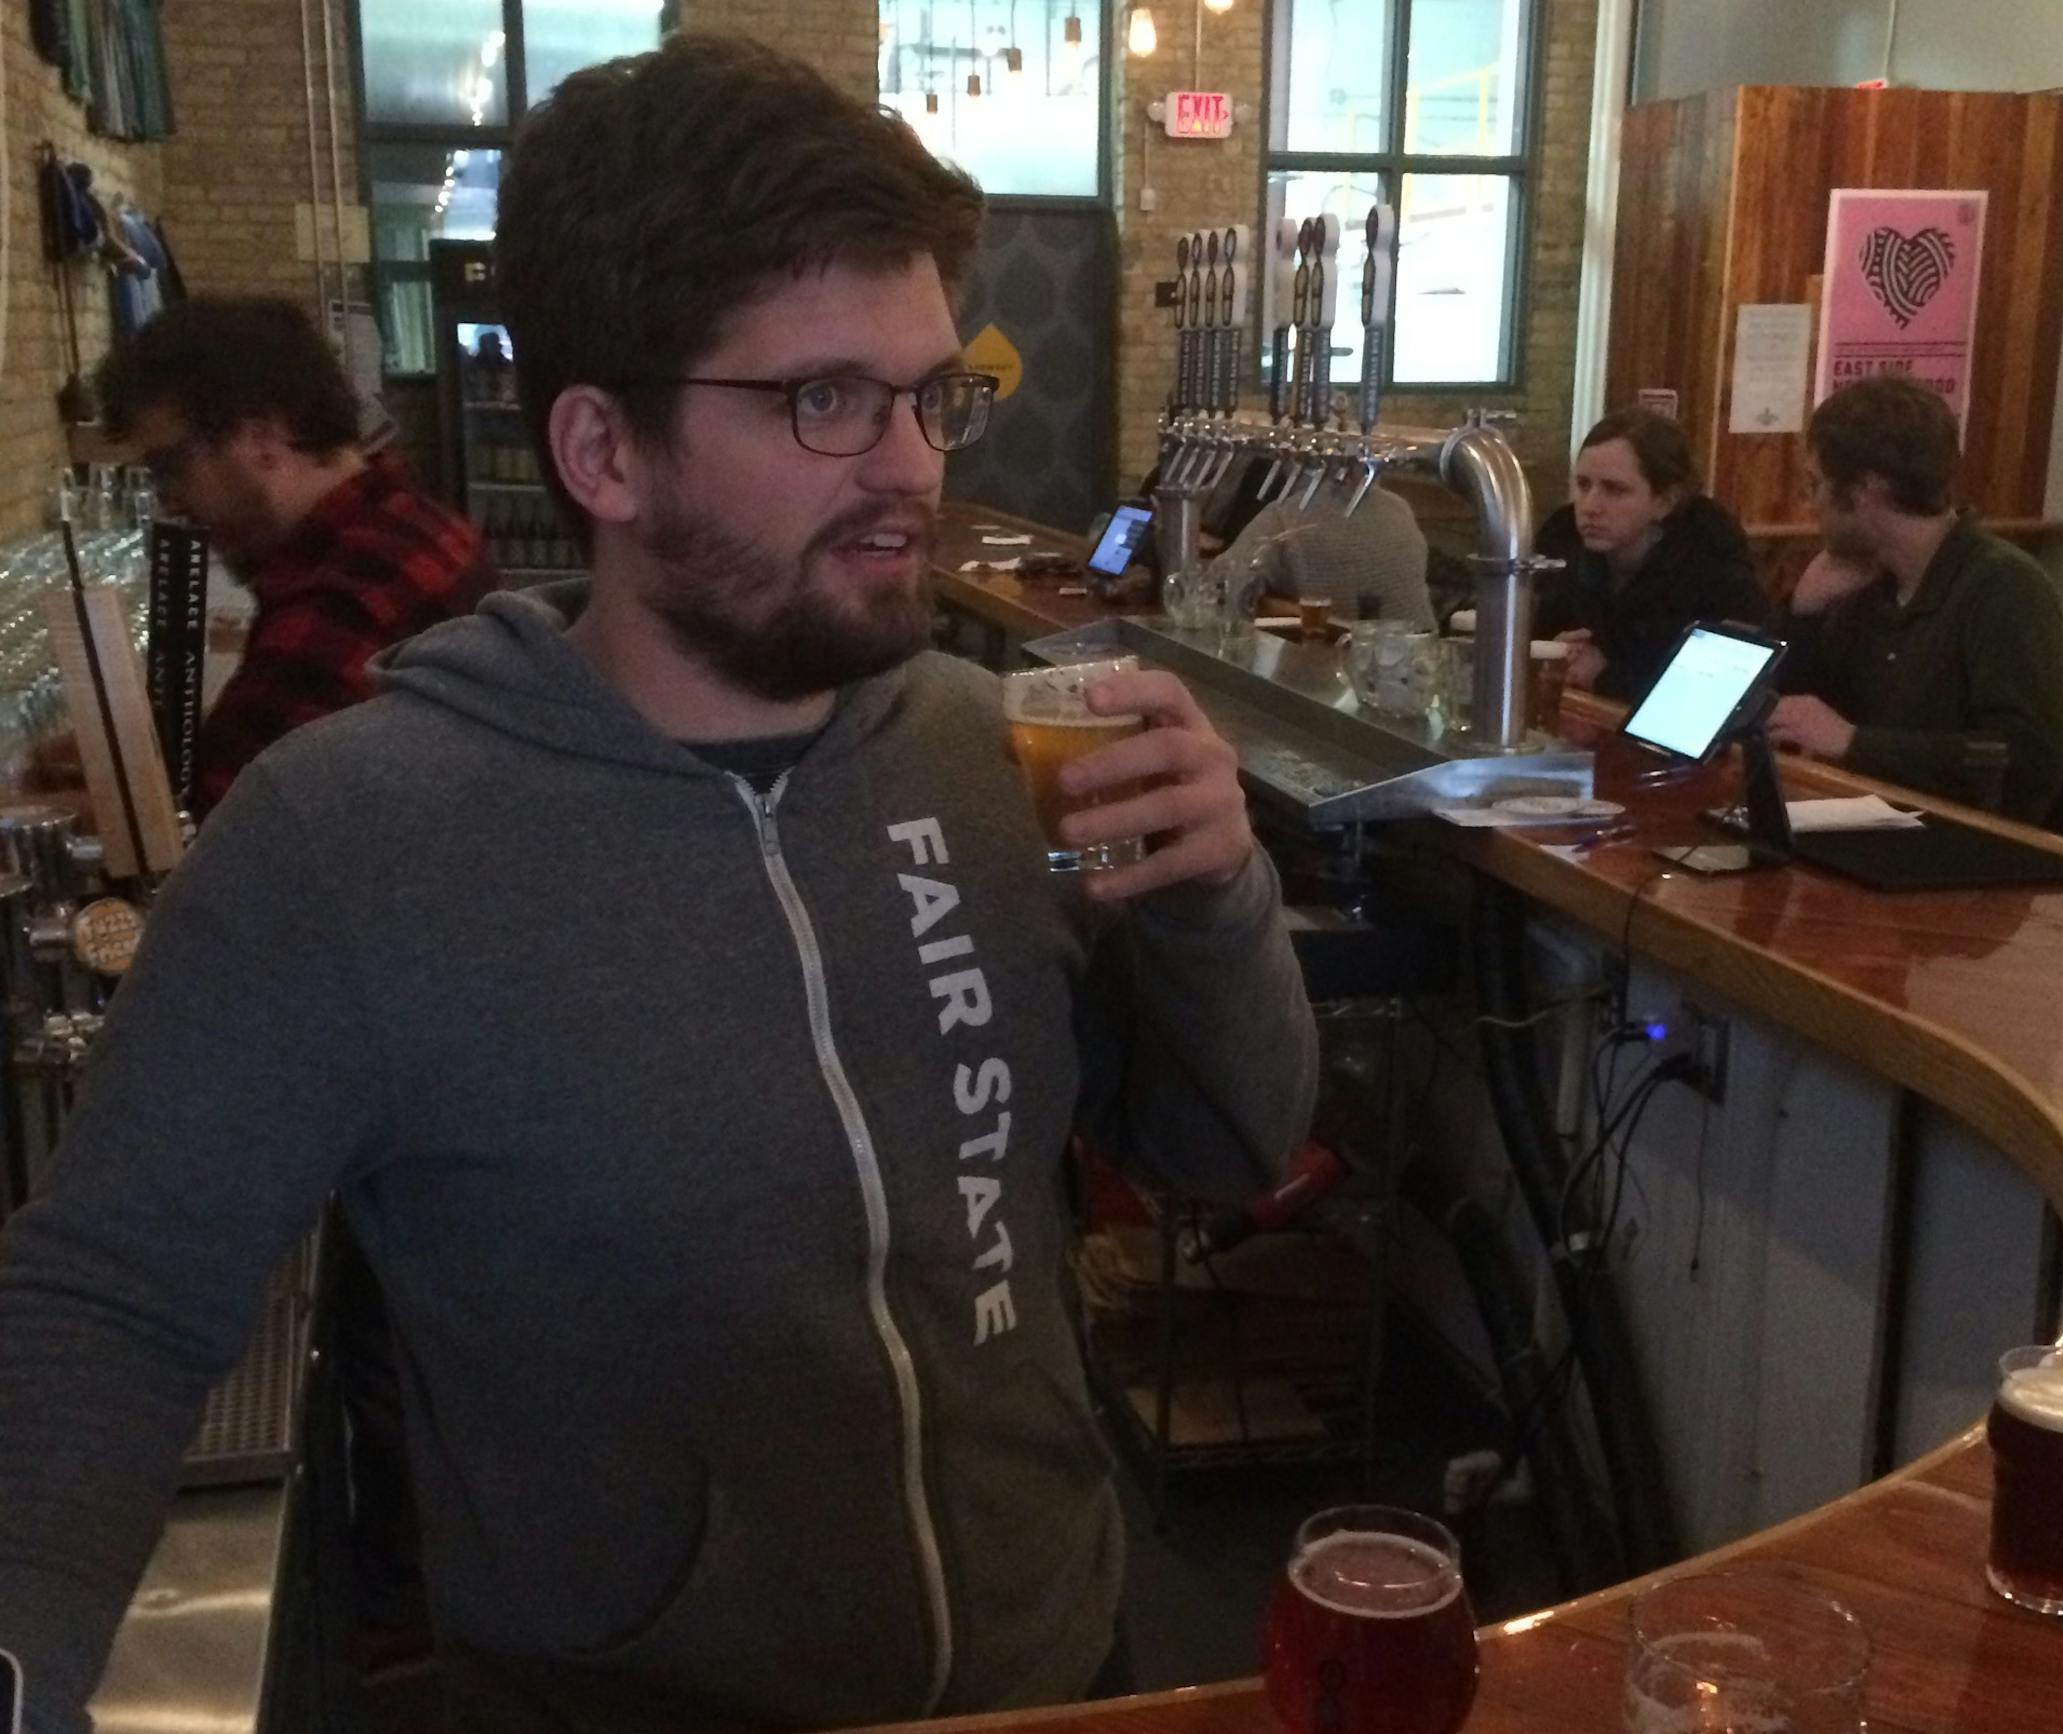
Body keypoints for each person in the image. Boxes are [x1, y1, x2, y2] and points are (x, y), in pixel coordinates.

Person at [0, 34, 1318, 1734]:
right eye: (825, 399)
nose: (913, 465)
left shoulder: (988, 751)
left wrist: (1216, 903)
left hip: (1065, 1672)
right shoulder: (348, 839)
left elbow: (1226, 1146)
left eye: (930, 394)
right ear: (603, 451)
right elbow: (106, 1303)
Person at [95, 295, 496, 814]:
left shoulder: (343, 599)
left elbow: (228, 828)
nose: (167, 499)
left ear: (262, 437)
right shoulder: (417, 523)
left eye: (170, 467)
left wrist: (109, 803)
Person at [1767, 374, 2063, 824]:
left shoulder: (2005, 586)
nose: (1809, 504)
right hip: (1863, 824)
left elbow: (2030, 760)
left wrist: (1855, 743)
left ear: (1867, 490)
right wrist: (1803, 613)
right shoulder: (1859, 583)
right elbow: (1788, 720)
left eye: (1815, 484)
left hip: (1969, 846)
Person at [1534, 408, 1765, 701]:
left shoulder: (1715, 567)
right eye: (1583, 485)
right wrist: (1551, 654)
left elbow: (1717, 694)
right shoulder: (1561, 545)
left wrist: (1607, 676)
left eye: (1614, 490)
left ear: (1664, 502)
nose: (1590, 506)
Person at [1207, 481, 1434, 627]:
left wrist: (1273, 607)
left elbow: (1222, 588)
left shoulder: (1285, 516)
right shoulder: (1399, 508)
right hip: (1419, 660)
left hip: (1334, 665)